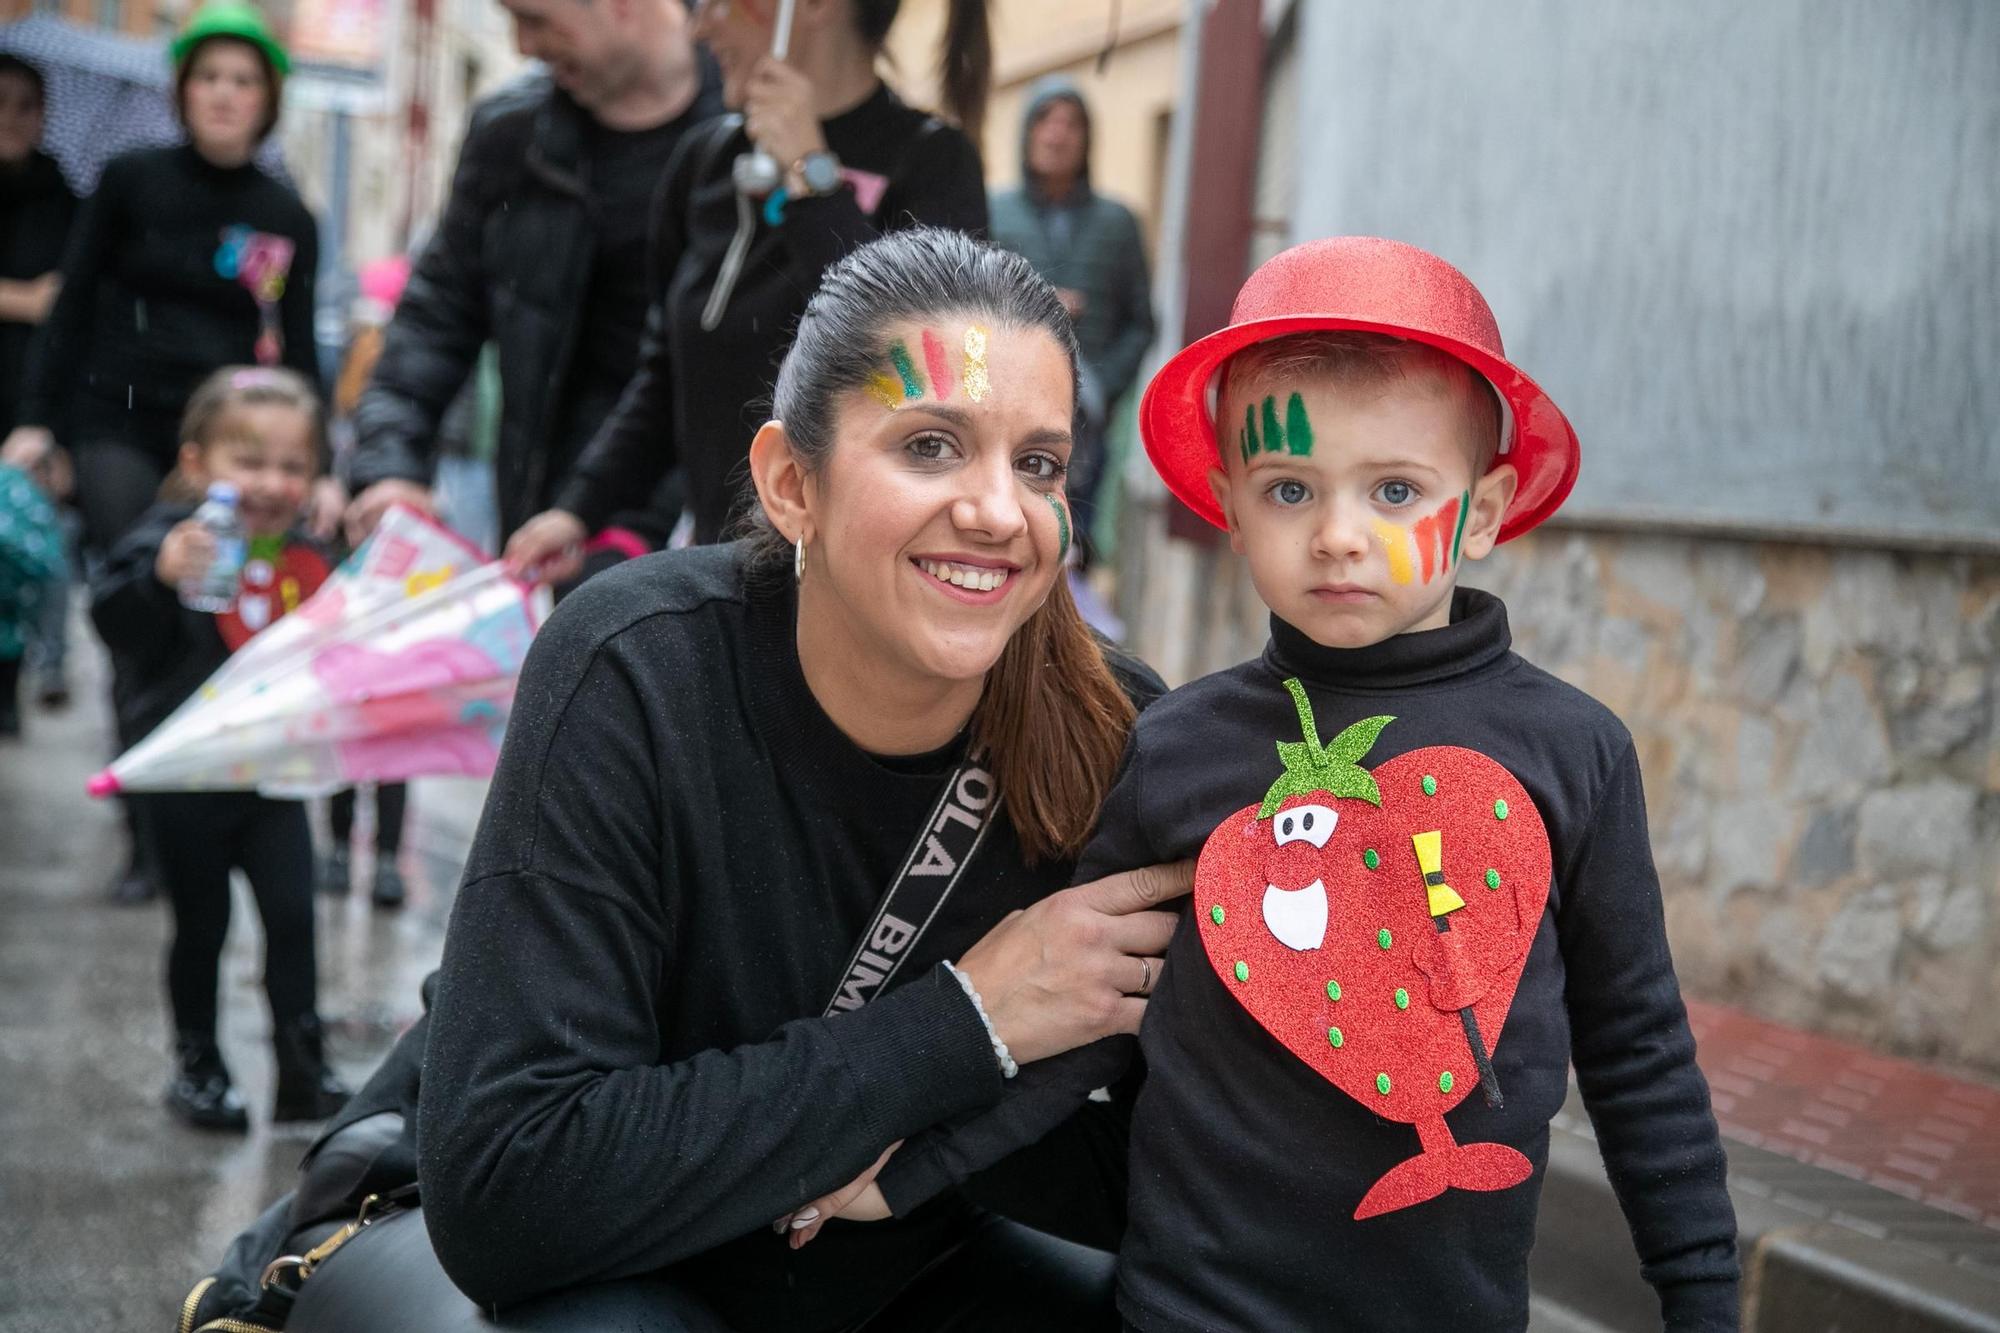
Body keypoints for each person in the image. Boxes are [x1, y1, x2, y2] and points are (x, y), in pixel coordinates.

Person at [811, 238, 1742, 1330]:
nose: (1339, 535)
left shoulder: (1573, 752)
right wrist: (908, 1170)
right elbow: (1091, 1021)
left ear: (1482, 512)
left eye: (1395, 489)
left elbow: (1636, 1050)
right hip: (1188, 1311)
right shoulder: (1178, 746)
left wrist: (1701, 1297)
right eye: (1289, 488)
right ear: (1229, 508)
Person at [269, 229, 1188, 1332]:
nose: (997, 511)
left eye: (1035, 462)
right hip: (530, 1273)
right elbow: (512, 1193)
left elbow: (1174, 1182)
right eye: (932, 445)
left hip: (886, 1255)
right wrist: (969, 1024)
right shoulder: (637, 663)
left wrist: (910, 1147)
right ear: (790, 483)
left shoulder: (1121, 734)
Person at [5, 1, 322, 903]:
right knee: (144, 596)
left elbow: (296, 350)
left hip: (228, 437)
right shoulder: (129, 178)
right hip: (118, 422)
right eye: (209, 78)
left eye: (243, 80)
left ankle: (190, 790)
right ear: (184, 91)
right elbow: (69, 311)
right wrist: (41, 421)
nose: (224, 95)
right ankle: (144, 822)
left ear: (267, 99)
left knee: (206, 617)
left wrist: (316, 467)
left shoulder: (287, 213)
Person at [500, 0, 993, 577]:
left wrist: (813, 176)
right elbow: (665, 379)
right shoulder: (704, 161)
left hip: (853, 589)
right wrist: (577, 510)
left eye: (714, 3)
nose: (698, 26)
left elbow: (919, 368)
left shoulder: (933, 160)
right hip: (723, 573)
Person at [340, 0, 722, 566]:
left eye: (535, 18)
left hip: (698, 539)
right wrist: (388, 469)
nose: (523, 45)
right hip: (543, 537)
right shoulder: (512, 135)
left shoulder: (751, 140)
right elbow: (434, 316)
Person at [91, 366, 352, 1131]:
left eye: (293, 465)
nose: (273, 482)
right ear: (198, 461)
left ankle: (303, 1067)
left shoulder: (307, 554)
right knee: (201, 928)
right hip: (187, 780)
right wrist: (159, 578)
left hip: (271, 779)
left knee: (294, 919)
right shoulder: (167, 539)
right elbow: (115, 628)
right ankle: (199, 1064)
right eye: (251, 461)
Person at [987, 78, 1155, 561]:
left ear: (1087, 139)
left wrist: (1104, 387)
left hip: (1091, 421)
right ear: (1027, 132)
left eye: (1070, 123)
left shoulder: (1117, 223)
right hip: (1003, 401)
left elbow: (1141, 323)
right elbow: (965, 307)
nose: (1057, 135)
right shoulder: (995, 214)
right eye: (1046, 121)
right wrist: (1034, 305)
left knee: (1073, 544)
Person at [0, 55, 79, 709]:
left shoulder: (65, 199)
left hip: (29, 397)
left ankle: (29, 665)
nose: (10, 118)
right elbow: (46, 298)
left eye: (26, 105)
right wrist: (25, 297)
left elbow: (75, 303)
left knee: (26, 542)